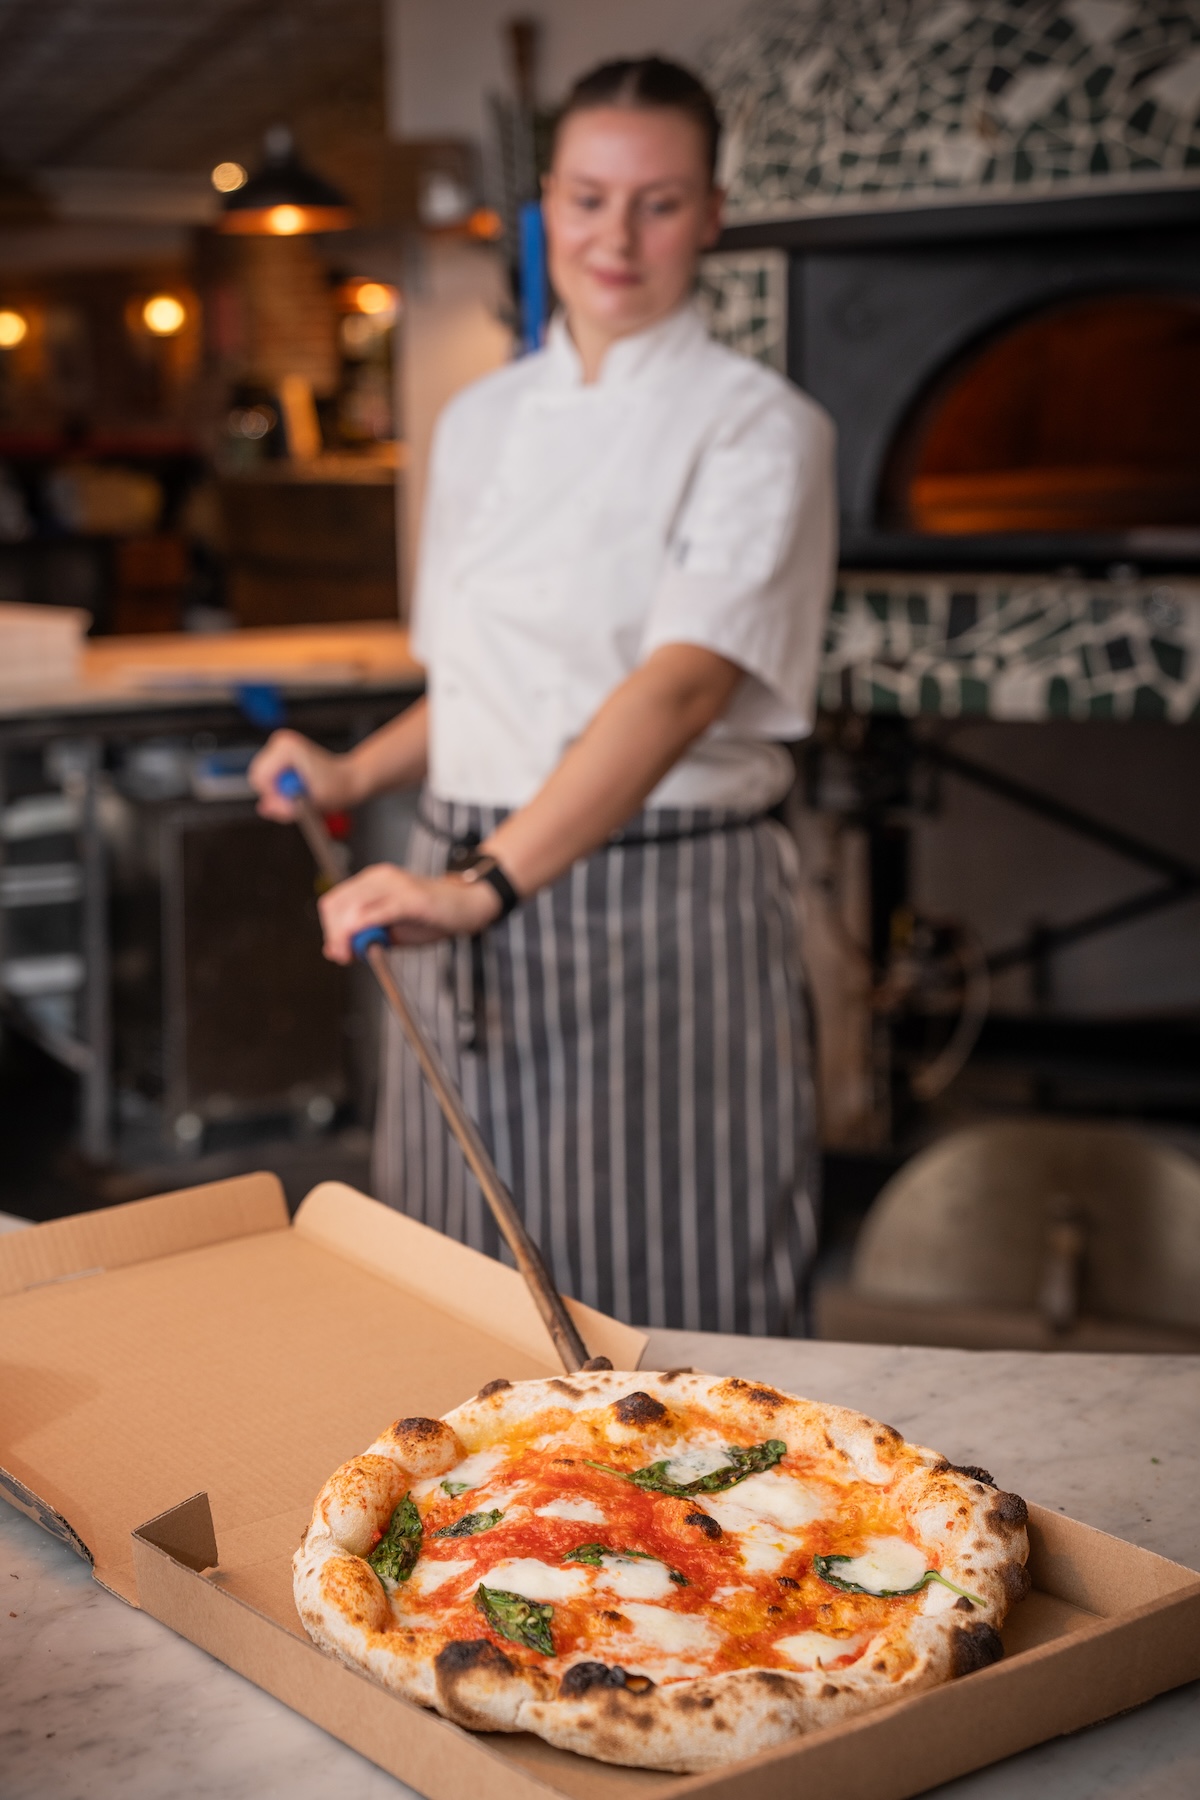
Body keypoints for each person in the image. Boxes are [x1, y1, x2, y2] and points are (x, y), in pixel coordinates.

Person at [250, 56, 837, 1337]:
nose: (615, 237)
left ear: (715, 213)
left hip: (659, 897)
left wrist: (485, 886)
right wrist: (359, 776)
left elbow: (679, 689)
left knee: (682, 1299)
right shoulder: (477, 420)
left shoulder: (761, 427)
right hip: (454, 875)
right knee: (452, 1288)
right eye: (586, 198)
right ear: (545, 206)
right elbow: (484, 682)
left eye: (660, 202)